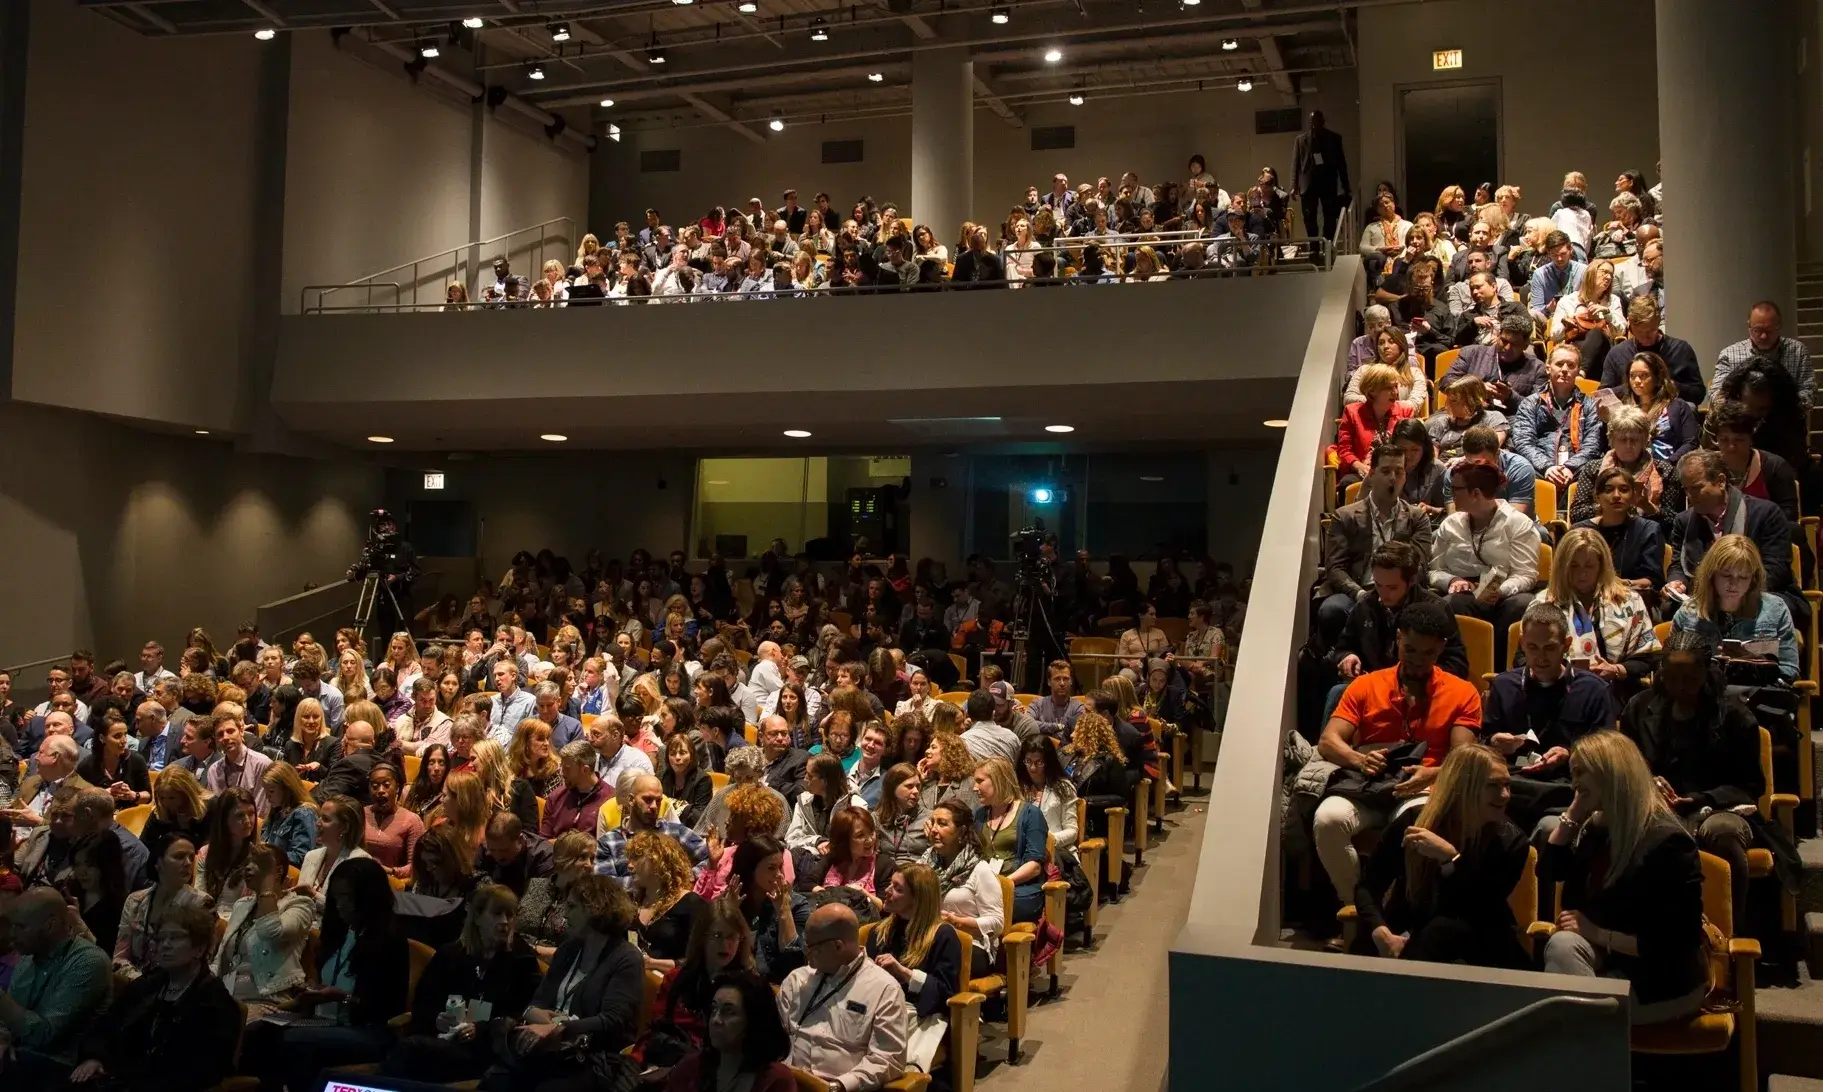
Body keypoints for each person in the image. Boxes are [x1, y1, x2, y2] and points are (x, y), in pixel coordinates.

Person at [1313, 600, 1483, 907]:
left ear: (1442, 648)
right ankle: (1358, 911)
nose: (1418, 661)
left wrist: (1431, 773)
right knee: (1327, 820)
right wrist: (1360, 759)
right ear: (1398, 640)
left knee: (1414, 825)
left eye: (1428, 653)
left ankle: (1394, 915)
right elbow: (1329, 741)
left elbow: (1464, 759)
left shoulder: (1462, 693)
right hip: (1368, 787)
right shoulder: (1366, 685)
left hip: (1423, 789)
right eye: (1411, 650)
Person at [1539, 731, 1710, 1025]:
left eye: (1580, 773)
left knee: (1567, 1015)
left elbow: (1677, 943)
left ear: (1610, 772)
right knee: (1563, 945)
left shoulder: (1668, 842)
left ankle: (1579, 1051)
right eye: (1572, 775)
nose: (1574, 784)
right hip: (1609, 966)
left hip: (1660, 981)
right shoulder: (1598, 829)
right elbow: (1549, 872)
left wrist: (1596, 934)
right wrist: (1572, 816)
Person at [1350, 742, 1528, 968]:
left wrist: (1451, 858)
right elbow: (1368, 885)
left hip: (1480, 940)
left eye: (1507, 785)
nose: (1505, 795)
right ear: (1462, 787)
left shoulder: (1511, 841)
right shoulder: (1413, 822)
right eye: (1493, 785)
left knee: (1444, 929)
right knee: (1366, 944)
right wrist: (1380, 930)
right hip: (1412, 928)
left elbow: (1482, 906)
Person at [67, 900, 240, 1092]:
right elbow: (107, 1024)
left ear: (199, 948)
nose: (164, 945)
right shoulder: (149, 985)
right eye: (160, 939)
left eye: (174, 938)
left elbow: (202, 1071)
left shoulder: (214, 1002)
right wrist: (95, 1057)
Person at [383, 883, 543, 1085]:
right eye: (496, 914)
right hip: (444, 1039)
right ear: (476, 917)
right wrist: (436, 1020)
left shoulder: (522, 960)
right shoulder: (450, 955)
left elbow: (524, 1014)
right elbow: (423, 1003)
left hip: (488, 1049)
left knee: (410, 1051)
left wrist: (481, 1029)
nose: (504, 922)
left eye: (510, 915)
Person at [778, 902, 910, 1092]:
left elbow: (888, 1058)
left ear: (838, 946)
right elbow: (773, 1038)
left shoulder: (884, 989)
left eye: (812, 947)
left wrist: (839, 1086)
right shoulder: (796, 980)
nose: (806, 954)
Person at [1667, 450, 1801, 631]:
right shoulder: (1683, 521)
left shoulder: (1766, 513)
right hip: (1705, 596)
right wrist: (1677, 582)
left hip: (1757, 592)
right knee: (1670, 608)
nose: (1690, 496)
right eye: (1686, 489)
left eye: (1697, 488)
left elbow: (1776, 569)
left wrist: (1734, 593)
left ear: (1721, 482)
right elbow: (1677, 564)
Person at [1319, 442, 1434, 649]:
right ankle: (1340, 664)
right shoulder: (1345, 516)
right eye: (1386, 471)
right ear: (1371, 474)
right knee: (1332, 609)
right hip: (1357, 592)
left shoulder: (1417, 518)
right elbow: (1335, 568)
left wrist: (1394, 592)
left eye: (1399, 471)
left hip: (1401, 593)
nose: (1393, 478)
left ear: (1405, 477)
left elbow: (1419, 564)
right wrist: (1361, 595)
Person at [1428, 460, 1541, 667]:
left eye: (1456, 489)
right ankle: (1460, 667)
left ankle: (1500, 669)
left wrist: (1499, 590)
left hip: (1504, 591)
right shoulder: (1450, 524)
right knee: (1451, 603)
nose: (1451, 494)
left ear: (1476, 494)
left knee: (1522, 604)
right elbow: (1434, 570)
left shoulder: (1517, 523)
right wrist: (1452, 580)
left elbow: (1526, 574)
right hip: (1462, 591)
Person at [0, 886, 112, 1086]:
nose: (12, 935)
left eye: (21, 927)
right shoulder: (28, 959)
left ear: (50, 926)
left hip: (64, 1068)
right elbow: (7, 1021)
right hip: (21, 1058)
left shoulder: (87, 962)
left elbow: (45, 1035)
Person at [1329, 541, 1470, 692]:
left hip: (1422, 690)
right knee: (1337, 691)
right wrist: (1348, 656)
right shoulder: (1366, 605)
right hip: (1374, 688)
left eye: (1392, 587)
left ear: (1412, 580)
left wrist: (1420, 677)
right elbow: (1343, 647)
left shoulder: (1437, 609)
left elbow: (1457, 664)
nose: (1383, 594)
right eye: (1378, 585)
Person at [863, 862, 962, 1076]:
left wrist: (904, 973)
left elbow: (946, 994)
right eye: (890, 884)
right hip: (877, 1012)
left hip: (920, 1017)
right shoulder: (879, 932)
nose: (887, 891)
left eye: (898, 889)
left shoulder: (943, 936)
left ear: (918, 900)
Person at [1540, 529, 1660, 699]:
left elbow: (1650, 657)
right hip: (1558, 694)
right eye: (1574, 565)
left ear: (1601, 566)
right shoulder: (1544, 604)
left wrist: (1616, 670)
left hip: (1616, 692)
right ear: (1562, 566)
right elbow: (1523, 659)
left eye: (1589, 566)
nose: (1582, 574)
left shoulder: (1629, 601)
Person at [1672, 533, 1800, 683]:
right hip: (1703, 699)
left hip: (1755, 697)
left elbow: (1790, 670)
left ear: (1753, 579)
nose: (1734, 584)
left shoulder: (1776, 610)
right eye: (1726, 575)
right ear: (1711, 575)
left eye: (1744, 577)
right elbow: (1669, 669)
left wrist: (1755, 666)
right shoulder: (1688, 613)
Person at [210, 842, 314, 1015]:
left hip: (269, 1000)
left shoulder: (300, 906)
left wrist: (268, 883)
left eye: (257, 863)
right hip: (229, 996)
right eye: (248, 863)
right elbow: (222, 956)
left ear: (278, 871)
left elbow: (271, 932)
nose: (248, 868)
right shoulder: (241, 905)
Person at [663, 969, 795, 1092]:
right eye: (714, 1009)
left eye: (728, 1011)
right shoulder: (689, 1069)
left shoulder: (776, 1081)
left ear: (754, 1019)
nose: (715, 1020)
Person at [1567, 405, 1684, 529]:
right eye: (1623, 440)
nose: (1628, 445)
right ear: (1612, 440)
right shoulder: (1593, 469)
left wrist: (1647, 507)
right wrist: (1608, 505)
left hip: (1647, 536)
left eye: (1634, 440)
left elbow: (1674, 521)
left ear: (1645, 440)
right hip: (1602, 535)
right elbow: (1576, 514)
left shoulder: (1665, 471)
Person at [113, 833, 208, 978]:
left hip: (177, 985)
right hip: (135, 982)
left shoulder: (201, 903)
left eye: (191, 857)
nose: (188, 863)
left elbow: (201, 962)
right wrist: (138, 980)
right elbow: (120, 957)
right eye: (179, 857)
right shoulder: (135, 901)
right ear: (158, 863)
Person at [1511, 346, 1603, 490]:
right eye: (1559, 364)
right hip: (1540, 469)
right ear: (1548, 368)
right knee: (1518, 467)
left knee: (1597, 468)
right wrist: (1547, 467)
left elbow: (1593, 444)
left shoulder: (1589, 404)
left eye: (1571, 365)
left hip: (1578, 469)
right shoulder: (1530, 403)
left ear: (1578, 371)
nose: (1565, 369)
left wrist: (1570, 467)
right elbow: (1524, 441)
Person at [1572, 466, 1667, 604]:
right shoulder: (1579, 530)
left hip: (1631, 599)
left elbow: (1652, 581)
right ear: (1597, 496)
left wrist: (1619, 584)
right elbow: (1567, 573)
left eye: (1624, 490)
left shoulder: (1648, 529)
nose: (1616, 495)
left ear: (1633, 495)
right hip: (1585, 598)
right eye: (1608, 490)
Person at [595, 772, 708, 886]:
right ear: (631, 799)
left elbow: (711, 858)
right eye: (647, 799)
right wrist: (653, 880)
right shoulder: (608, 842)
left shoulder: (675, 832)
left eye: (658, 800)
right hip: (629, 903)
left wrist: (689, 875)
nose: (654, 806)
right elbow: (604, 885)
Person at [971, 757, 1049, 924]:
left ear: (998, 780)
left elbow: (1034, 867)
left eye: (980, 781)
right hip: (985, 886)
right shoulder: (980, 815)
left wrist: (1003, 884)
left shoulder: (1030, 814)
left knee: (991, 905)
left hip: (1018, 888)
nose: (974, 788)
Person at [1329, 364, 1419, 506]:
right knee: (1347, 483)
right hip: (1364, 471)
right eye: (1389, 388)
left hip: (1397, 470)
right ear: (1372, 391)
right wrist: (1358, 466)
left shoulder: (1405, 411)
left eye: (1396, 387)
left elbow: (1410, 448)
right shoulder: (1352, 412)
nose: (1395, 392)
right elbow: (1344, 450)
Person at [1601, 295, 1704, 406]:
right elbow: (1604, 396)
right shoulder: (1617, 354)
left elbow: (1698, 394)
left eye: (1651, 330)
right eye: (1640, 332)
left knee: (1690, 407)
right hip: (1630, 414)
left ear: (1658, 322)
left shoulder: (1680, 350)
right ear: (1629, 324)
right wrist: (1632, 386)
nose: (1646, 336)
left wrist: (1669, 385)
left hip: (1671, 410)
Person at [1709, 399, 1800, 523]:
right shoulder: (1708, 468)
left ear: (1751, 439)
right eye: (1724, 440)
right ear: (1716, 440)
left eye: (1739, 440)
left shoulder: (1775, 467)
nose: (1731, 447)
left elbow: (1788, 515)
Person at [1711, 300, 1814, 410]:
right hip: (1743, 418)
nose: (1763, 336)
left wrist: (1784, 405)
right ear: (1749, 327)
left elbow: (1809, 391)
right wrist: (1743, 408)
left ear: (1779, 326)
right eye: (1757, 330)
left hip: (1784, 417)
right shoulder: (1729, 354)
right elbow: (1717, 394)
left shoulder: (1798, 351)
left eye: (1769, 330)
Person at [1439, 311, 1545, 417]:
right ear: (1498, 336)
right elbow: (1446, 382)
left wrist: (1510, 397)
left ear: (1526, 345)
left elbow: (1539, 407)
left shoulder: (1537, 368)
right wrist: (1475, 389)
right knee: (1432, 424)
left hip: (1510, 419)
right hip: (1466, 413)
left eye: (1514, 344)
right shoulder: (1471, 353)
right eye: (1504, 341)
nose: (1507, 348)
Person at [629, 831, 708, 972]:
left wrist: (654, 963)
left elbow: (699, 959)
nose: (629, 865)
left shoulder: (691, 904)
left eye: (637, 857)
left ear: (658, 861)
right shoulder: (632, 902)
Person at [297, 794, 375, 906]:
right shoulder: (311, 856)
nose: (317, 823)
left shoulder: (360, 862)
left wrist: (313, 895)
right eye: (319, 817)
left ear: (344, 827)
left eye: (325, 819)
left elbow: (350, 913)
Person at [785, 753, 867, 855]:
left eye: (810, 776)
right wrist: (817, 842)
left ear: (826, 780)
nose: (805, 779)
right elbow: (790, 840)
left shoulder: (856, 806)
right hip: (809, 861)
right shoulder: (804, 801)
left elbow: (858, 846)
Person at [65, 830, 129, 954]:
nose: (81, 872)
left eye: (90, 865)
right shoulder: (70, 892)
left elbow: (107, 956)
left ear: (106, 865)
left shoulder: (121, 906)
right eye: (77, 864)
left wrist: (79, 924)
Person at [1292, 110, 1351, 242]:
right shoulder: (1301, 140)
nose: (1315, 124)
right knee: (1309, 217)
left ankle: (1328, 244)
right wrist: (1294, 185)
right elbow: (1296, 164)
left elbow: (1341, 164)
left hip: (1328, 182)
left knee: (1329, 215)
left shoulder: (1334, 139)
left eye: (1318, 120)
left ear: (1323, 121)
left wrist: (1346, 185)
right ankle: (1313, 246)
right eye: (1313, 121)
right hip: (1308, 184)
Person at [135, 765, 208, 871]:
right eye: (162, 797)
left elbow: (209, 849)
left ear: (186, 794)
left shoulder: (209, 808)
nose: (165, 802)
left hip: (199, 867)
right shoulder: (160, 811)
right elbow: (144, 844)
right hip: (168, 868)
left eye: (171, 798)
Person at [363, 761, 424, 882]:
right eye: (374, 786)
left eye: (386, 785)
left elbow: (417, 867)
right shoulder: (361, 814)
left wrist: (391, 871)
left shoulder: (412, 821)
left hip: (393, 883)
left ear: (397, 787)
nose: (380, 790)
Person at [76, 714, 149, 811]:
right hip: (98, 819)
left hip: (128, 816)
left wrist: (133, 795)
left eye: (125, 735)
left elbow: (148, 796)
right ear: (102, 738)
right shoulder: (87, 765)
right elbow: (78, 799)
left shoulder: (136, 760)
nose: (124, 741)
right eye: (117, 736)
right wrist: (104, 794)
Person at [1426, 376, 1508, 462]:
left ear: (1471, 401)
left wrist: (1462, 460)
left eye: (1454, 401)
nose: (1448, 405)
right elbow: (1432, 459)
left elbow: (1491, 450)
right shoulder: (1442, 422)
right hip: (1444, 469)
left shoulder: (1494, 419)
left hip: (1477, 469)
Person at [541, 738, 610, 841]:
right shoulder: (556, 797)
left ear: (585, 770)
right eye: (562, 767)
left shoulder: (610, 800)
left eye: (567, 769)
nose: (562, 773)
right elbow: (543, 839)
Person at [260, 760, 320, 868]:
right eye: (265, 791)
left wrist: (267, 854)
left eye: (271, 791)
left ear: (287, 789)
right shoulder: (276, 810)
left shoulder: (304, 813)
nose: (267, 797)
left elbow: (301, 857)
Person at [660, 733, 713, 829]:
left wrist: (667, 807)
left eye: (682, 753)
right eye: (672, 754)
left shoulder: (703, 780)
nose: (677, 757)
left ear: (691, 755)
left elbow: (697, 816)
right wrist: (685, 807)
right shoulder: (663, 776)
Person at [404, 742, 450, 819]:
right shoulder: (412, 792)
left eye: (441, 763)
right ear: (425, 766)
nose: (436, 768)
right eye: (431, 762)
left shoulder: (450, 795)